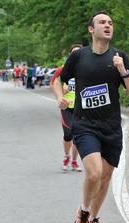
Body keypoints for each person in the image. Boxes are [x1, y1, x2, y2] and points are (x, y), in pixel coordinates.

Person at [53, 11, 129, 223]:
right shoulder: (79, 57)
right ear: (92, 29)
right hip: (85, 124)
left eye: (110, 22)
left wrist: (123, 71)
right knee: (94, 174)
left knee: (105, 178)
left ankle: (93, 218)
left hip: (111, 127)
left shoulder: (119, 56)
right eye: (102, 22)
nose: (107, 25)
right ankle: (83, 210)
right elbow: (59, 81)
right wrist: (59, 96)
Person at [51, 44, 83, 172]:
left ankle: (75, 162)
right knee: (68, 134)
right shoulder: (62, 69)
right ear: (70, 55)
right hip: (67, 106)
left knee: (78, 136)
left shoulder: (86, 69)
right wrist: (61, 92)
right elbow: (53, 84)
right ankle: (66, 156)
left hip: (81, 107)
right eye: (73, 53)